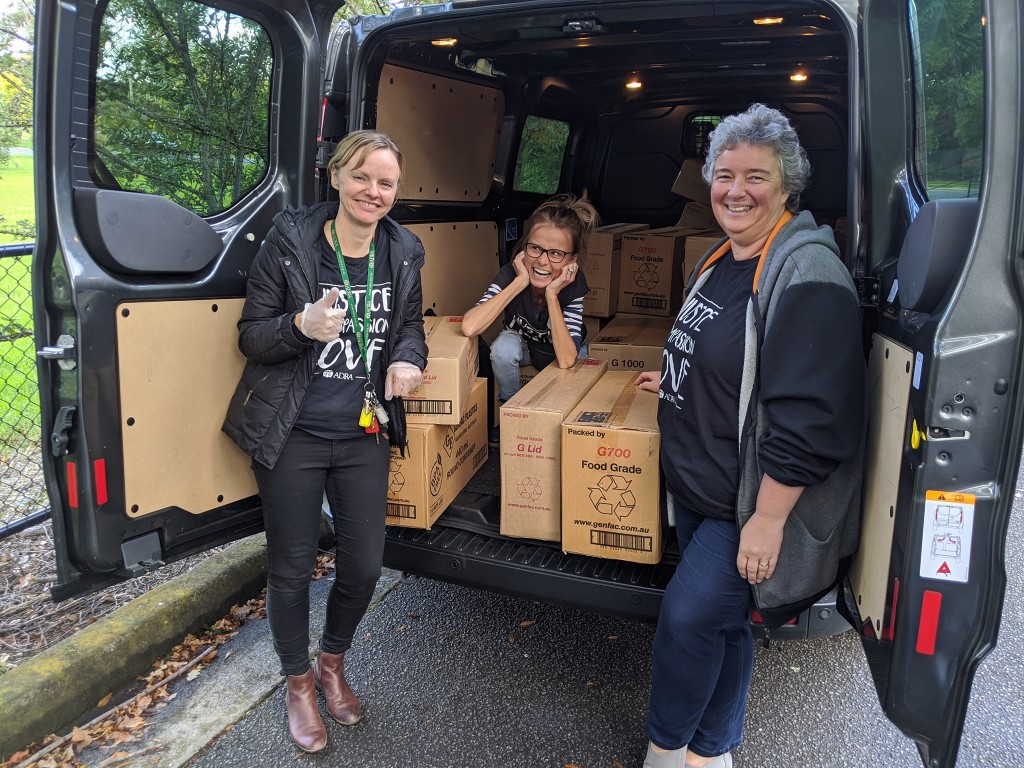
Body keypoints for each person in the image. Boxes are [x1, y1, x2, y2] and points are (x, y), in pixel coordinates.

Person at [635, 104, 866, 768]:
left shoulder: (806, 272)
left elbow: (811, 417)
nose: (735, 191)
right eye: (723, 174)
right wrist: (677, 375)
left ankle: (667, 751)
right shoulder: (727, 255)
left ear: (788, 185)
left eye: (755, 176)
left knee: (686, 619)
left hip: (746, 503)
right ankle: (713, 752)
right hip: (702, 487)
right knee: (722, 625)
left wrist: (767, 519)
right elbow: (733, 354)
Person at [222, 130, 427, 753]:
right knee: (290, 567)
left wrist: (409, 362)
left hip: (364, 429)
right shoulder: (290, 241)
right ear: (336, 176)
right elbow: (251, 336)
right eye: (362, 176)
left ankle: (333, 662)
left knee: (364, 564)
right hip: (294, 433)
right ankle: (298, 683)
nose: (374, 191)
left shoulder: (405, 250)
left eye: (386, 182)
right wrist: (299, 325)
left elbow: (412, 326)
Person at [461, 195, 597, 407]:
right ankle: (511, 408)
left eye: (555, 254)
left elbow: (567, 359)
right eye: (535, 248)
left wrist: (552, 295)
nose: (542, 260)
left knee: (571, 377)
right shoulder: (512, 274)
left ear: (572, 260)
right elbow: (470, 326)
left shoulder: (574, 284)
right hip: (525, 347)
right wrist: (520, 282)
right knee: (502, 349)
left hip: (563, 349)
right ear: (524, 248)